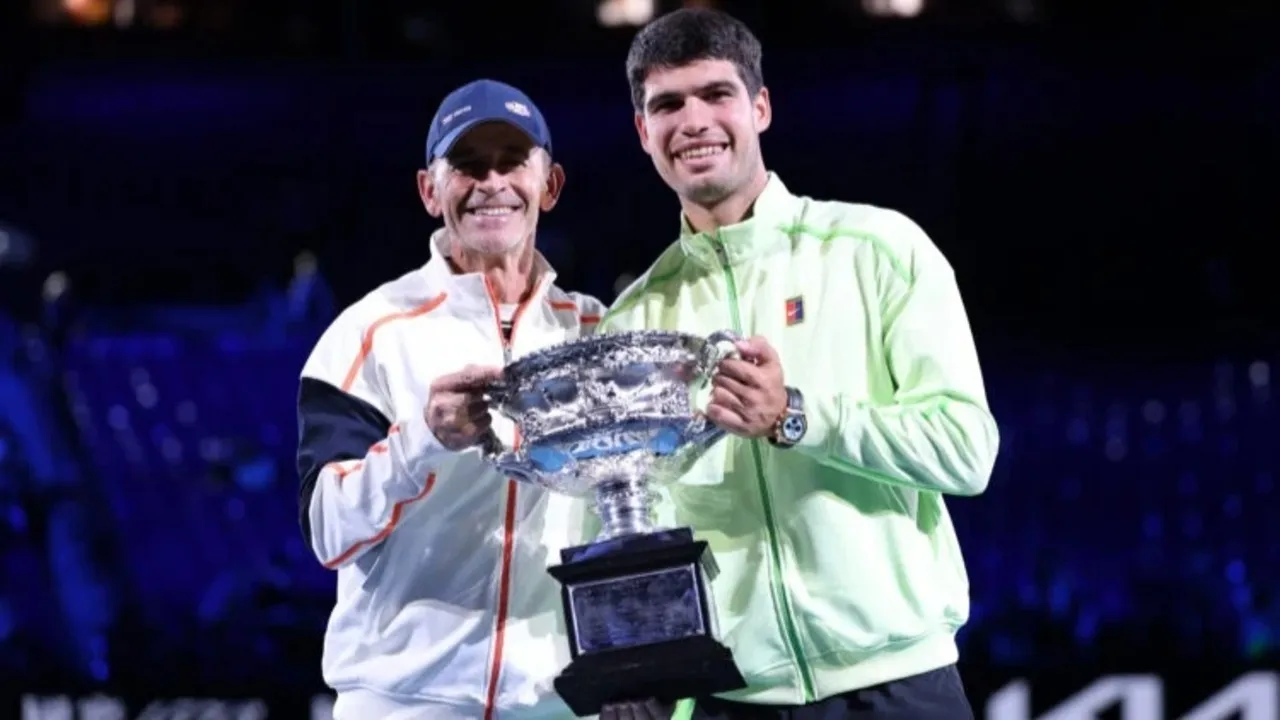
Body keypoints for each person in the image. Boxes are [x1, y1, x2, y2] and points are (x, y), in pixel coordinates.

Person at [599, 9, 1000, 719]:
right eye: (667, 104)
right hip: (735, 697)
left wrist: (796, 416)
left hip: (898, 681)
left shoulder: (878, 249)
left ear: (759, 107)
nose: (693, 120)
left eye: (716, 95)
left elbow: (967, 452)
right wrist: (636, 663)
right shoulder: (634, 319)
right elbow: (635, 517)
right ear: (642, 134)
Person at [296, 79, 606, 720]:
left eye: (513, 160)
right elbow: (327, 532)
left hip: (553, 706)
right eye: (467, 164)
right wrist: (421, 442)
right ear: (429, 190)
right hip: (404, 703)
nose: (491, 182)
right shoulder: (368, 333)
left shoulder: (596, 334)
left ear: (550, 185)